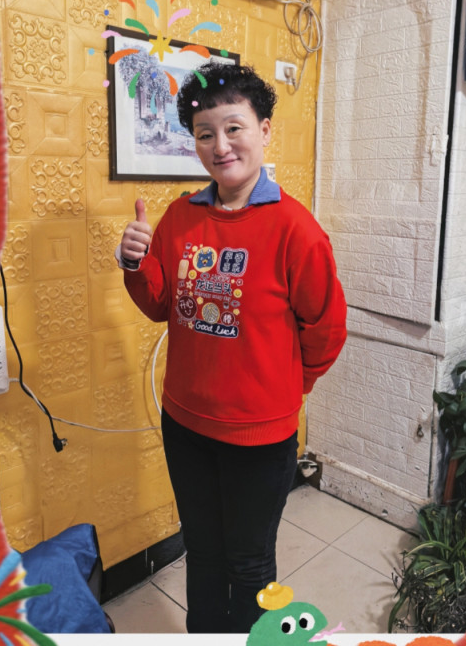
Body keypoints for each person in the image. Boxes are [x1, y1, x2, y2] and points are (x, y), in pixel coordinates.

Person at [115, 62, 347, 633]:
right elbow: (161, 303)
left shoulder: (296, 229)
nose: (220, 146)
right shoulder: (180, 217)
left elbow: (326, 328)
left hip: (260, 438)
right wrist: (136, 262)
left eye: (234, 128)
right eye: (205, 133)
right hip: (185, 424)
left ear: (264, 130)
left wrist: (285, 389)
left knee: (249, 566)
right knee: (201, 551)